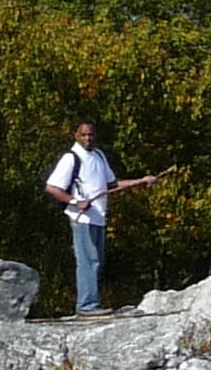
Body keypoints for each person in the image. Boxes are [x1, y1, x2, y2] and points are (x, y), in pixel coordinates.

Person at [44, 121, 160, 313]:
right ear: (76, 136)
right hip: (82, 218)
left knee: (97, 259)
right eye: (83, 135)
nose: (87, 138)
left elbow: (112, 184)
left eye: (90, 135)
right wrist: (75, 201)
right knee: (88, 260)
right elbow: (52, 187)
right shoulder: (71, 158)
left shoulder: (98, 156)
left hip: (98, 217)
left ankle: (91, 303)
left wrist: (141, 181)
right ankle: (86, 306)